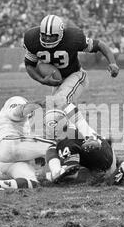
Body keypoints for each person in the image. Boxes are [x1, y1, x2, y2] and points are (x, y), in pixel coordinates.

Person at [23, 14, 119, 146]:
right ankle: (98, 140)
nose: (47, 38)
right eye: (44, 35)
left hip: (76, 75)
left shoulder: (73, 38)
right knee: (56, 115)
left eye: (52, 36)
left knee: (60, 101)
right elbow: (29, 65)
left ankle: (91, 137)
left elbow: (99, 45)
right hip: (57, 82)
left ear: (61, 34)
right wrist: (42, 80)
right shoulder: (31, 38)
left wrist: (112, 63)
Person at [0, 96, 79, 192]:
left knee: (32, 182)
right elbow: (19, 110)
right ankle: (57, 171)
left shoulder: (24, 126)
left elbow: (26, 147)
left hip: (6, 162)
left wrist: (37, 156)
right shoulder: (17, 101)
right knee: (53, 145)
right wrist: (37, 106)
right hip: (10, 143)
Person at [45, 135, 117, 184]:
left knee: (53, 148)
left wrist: (52, 175)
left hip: (94, 154)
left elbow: (71, 170)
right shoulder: (80, 131)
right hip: (107, 151)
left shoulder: (64, 142)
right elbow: (108, 142)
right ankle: (105, 173)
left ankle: (56, 172)